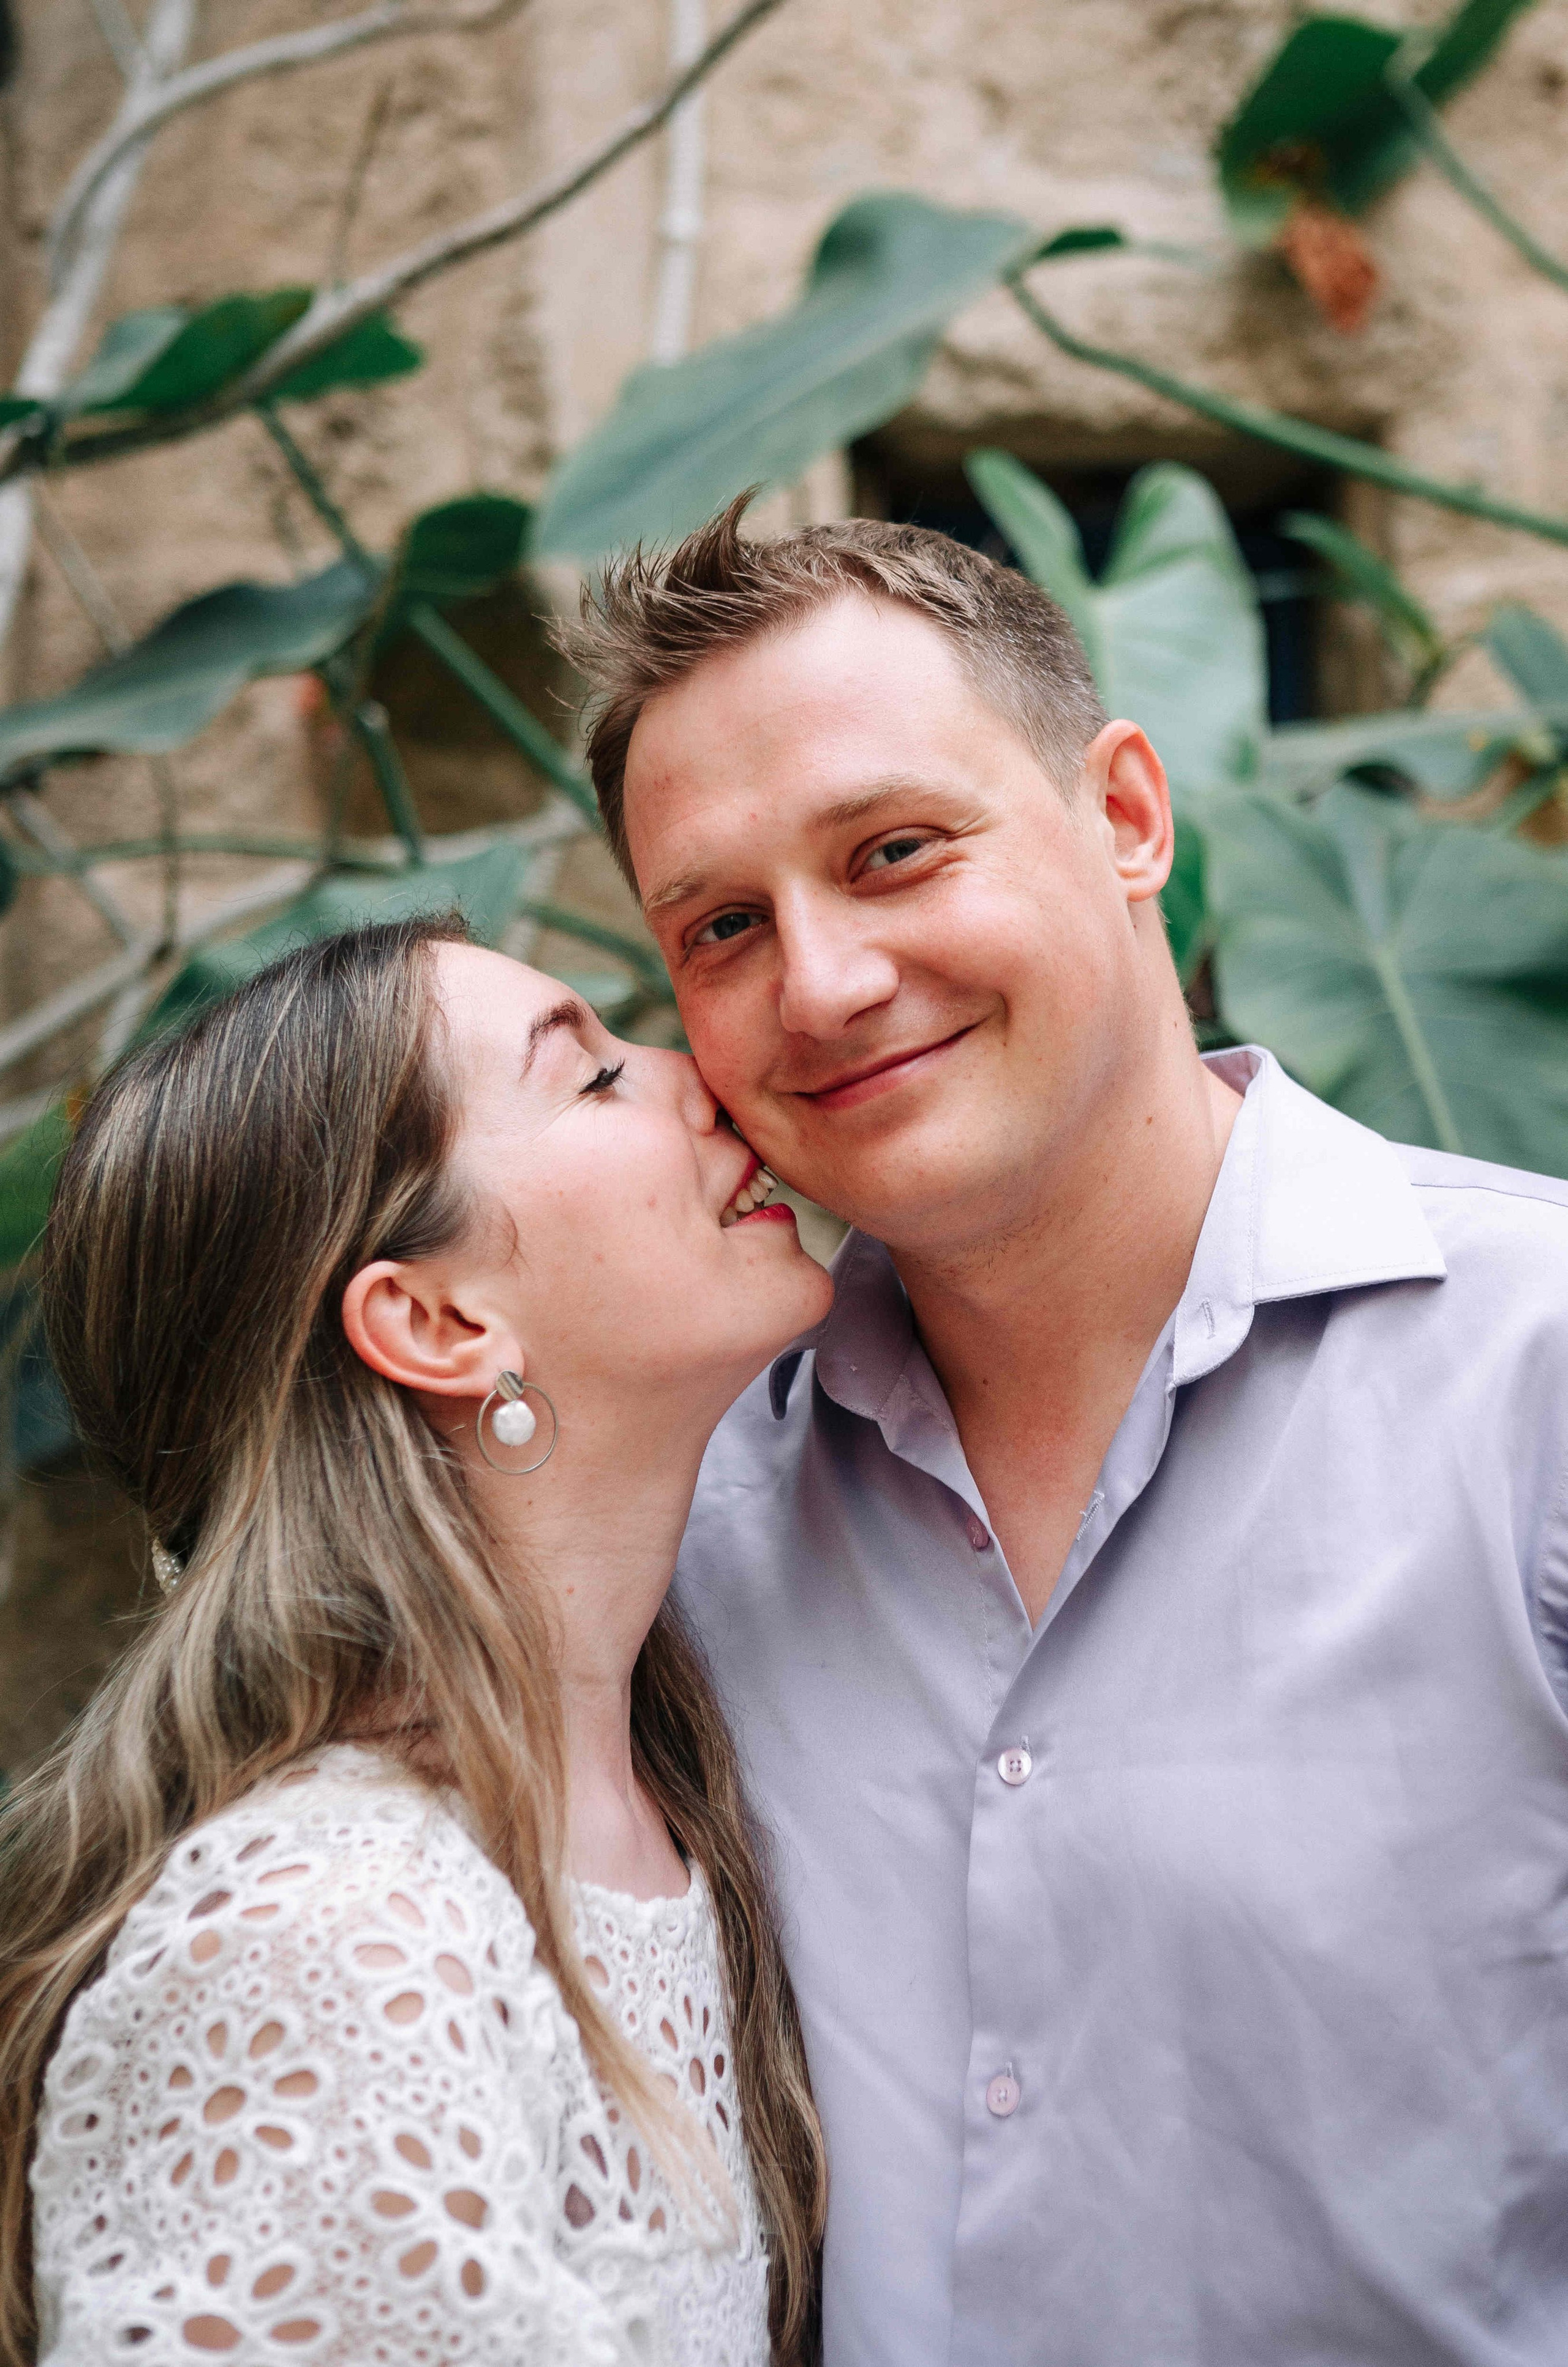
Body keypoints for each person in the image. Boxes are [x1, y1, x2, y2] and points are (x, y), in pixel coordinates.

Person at [560, 499, 1568, 2367]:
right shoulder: (681, 1530)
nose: (823, 984)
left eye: (894, 852)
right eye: (723, 927)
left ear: (1126, 817)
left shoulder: (1538, 1376)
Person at [0, 916, 829, 2367]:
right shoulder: (324, 1945)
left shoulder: (671, 1793)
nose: (698, 1072)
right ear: (438, 1321)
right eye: (592, 1076)